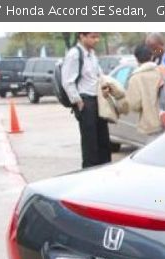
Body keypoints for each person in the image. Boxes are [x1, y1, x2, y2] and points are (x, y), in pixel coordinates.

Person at [61, 32, 112, 169]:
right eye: (93, 36)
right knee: (90, 145)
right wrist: (78, 101)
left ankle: (105, 173)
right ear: (82, 36)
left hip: (98, 100)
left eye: (97, 36)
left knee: (103, 142)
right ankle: (89, 174)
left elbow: (98, 76)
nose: (96, 40)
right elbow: (67, 81)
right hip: (86, 101)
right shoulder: (75, 54)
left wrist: (104, 87)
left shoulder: (92, 55)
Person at [122, 44, 165, 136]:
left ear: (136, 59)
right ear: (152, 56)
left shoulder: (135, 78)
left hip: (150, 125)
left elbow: (134, 105)